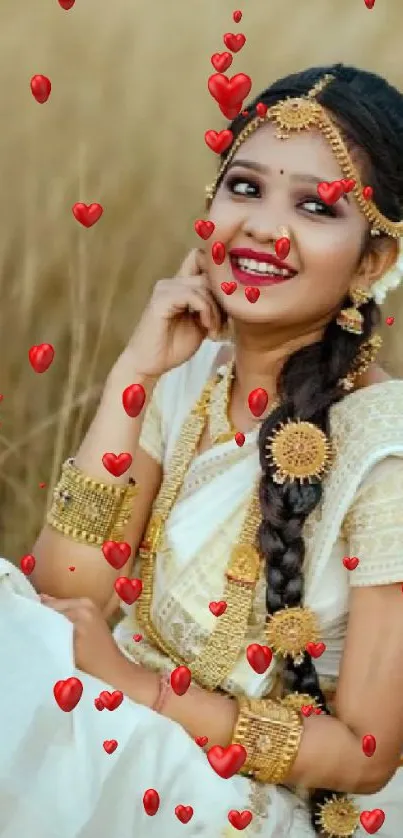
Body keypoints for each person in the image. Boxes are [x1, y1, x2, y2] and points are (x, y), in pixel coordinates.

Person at [1, 62, 403, 838]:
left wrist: (137, 689)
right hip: (113, 712)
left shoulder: (384, 453)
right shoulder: (184, 375)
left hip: (246, 798)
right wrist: (135, 370)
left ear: (372, 262)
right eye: (244, 188)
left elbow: (366, 754)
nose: (261, 226)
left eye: (315, 207)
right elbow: (68, 584)